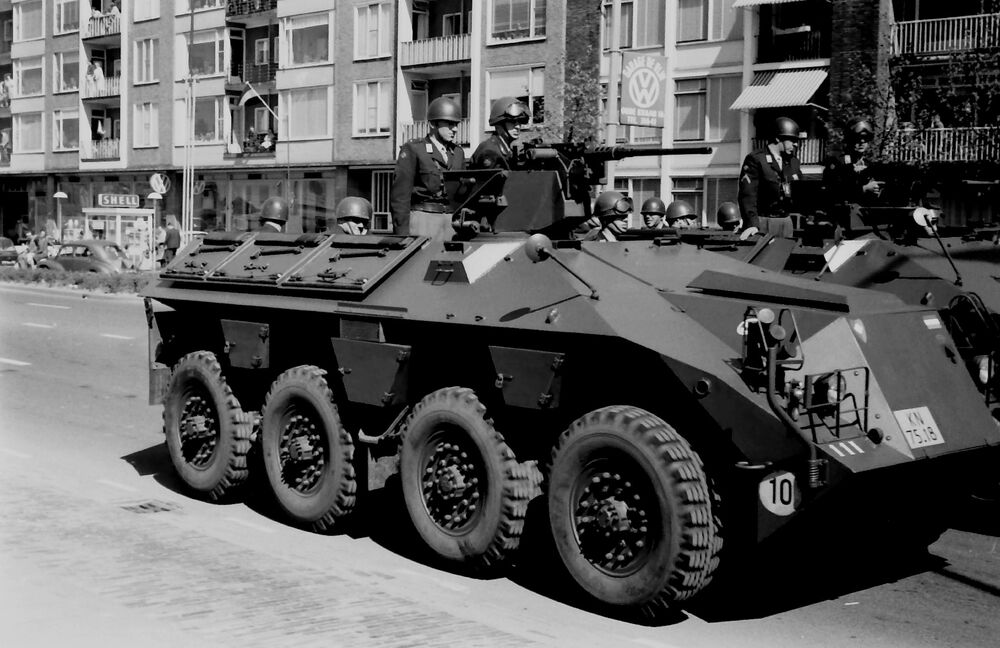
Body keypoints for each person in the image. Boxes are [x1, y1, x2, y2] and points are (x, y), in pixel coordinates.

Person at [390, 96, 466, 238]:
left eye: (456, 124)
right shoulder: (414, 149)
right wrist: (402, 235)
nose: (455, 129)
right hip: (423, 220)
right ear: (433, 124)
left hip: (451, 222)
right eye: (449, 124)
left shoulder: (458, 153)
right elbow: (400, 196)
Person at [738, 116, 802, 238]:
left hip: (786, 222)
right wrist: (751, 223)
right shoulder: (756, 159)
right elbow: (748, 195)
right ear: (778, 138)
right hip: (764, 221)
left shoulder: (793, 162)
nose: (795, 144)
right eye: (792, 140)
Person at [822, 118, 883, 235]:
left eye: (865, 139)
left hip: (866, 216)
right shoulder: (837, 163)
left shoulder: (869, 165)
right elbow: (833, 191)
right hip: (843, 219)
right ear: (849, 139)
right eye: (857, 138)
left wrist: (876, 190)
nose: (862, 142)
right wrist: (864, 189)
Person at [471, 97, 529, 169]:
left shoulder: (505, 149)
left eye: (520, 122)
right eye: (512, 122)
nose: (518, 126)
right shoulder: (490, 152)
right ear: (499, 124)